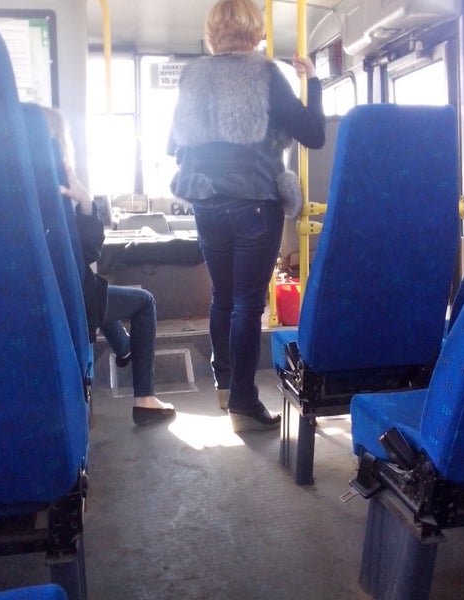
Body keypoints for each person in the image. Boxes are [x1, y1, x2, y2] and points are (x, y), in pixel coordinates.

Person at [168, 0, 325, 432]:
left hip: (206, 202)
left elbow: (174, 143)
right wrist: (312, 81)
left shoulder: (193, 75)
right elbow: (313, 134)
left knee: (222, 296)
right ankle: (243, 401)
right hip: (255, 201)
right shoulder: (266, 74)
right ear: (255, 31)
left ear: (213, 32)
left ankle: (224, 384)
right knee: (247, 304)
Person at [42, 107, 175, 425]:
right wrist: (86, 202)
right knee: (143, 301)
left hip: (42, 295)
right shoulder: (57, 187)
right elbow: (87, 252)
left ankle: (125, 348)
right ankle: (145, 399)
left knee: (98, 289)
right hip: (71, 299)